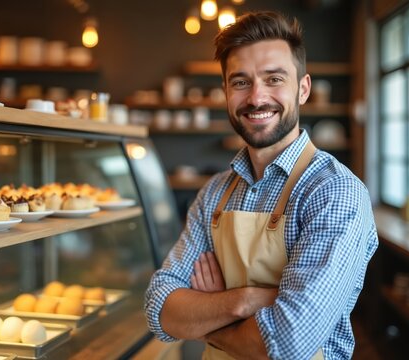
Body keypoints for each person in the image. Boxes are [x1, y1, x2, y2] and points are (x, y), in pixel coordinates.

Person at [144, 10, 378, 360]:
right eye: (240, 82)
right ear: (225, 91)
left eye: (273, 79)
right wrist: (246, 299)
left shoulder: (334, 192)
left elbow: (288, 345)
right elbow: (159, 308)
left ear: (302, 89)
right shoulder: (215, 193)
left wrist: (207, 310)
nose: (256, 98)